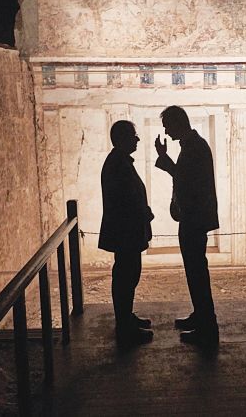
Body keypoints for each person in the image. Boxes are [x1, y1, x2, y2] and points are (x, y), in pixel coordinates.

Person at [155, 106, 220, 346]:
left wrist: (164, 159)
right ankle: (201, 316)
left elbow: (184, 180)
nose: (166, 131)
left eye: (167, 126)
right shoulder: (193, 145)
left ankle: (207, 326)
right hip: (193, 218)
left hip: (194, 219)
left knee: (196, 272)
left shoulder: (194, 148)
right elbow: (184, 178)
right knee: (195, 271)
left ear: (177, 123)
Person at [99, 120, 155, 345]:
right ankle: (124, 327)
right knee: (125, 276)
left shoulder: (120, 161)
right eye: (133, 135)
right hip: (126, 233)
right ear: (122, 138)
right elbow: (126, 200)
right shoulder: (118, 164)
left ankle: (126, 318)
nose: (137, 139)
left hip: (128, 231)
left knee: (128, 275)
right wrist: (144, 213)